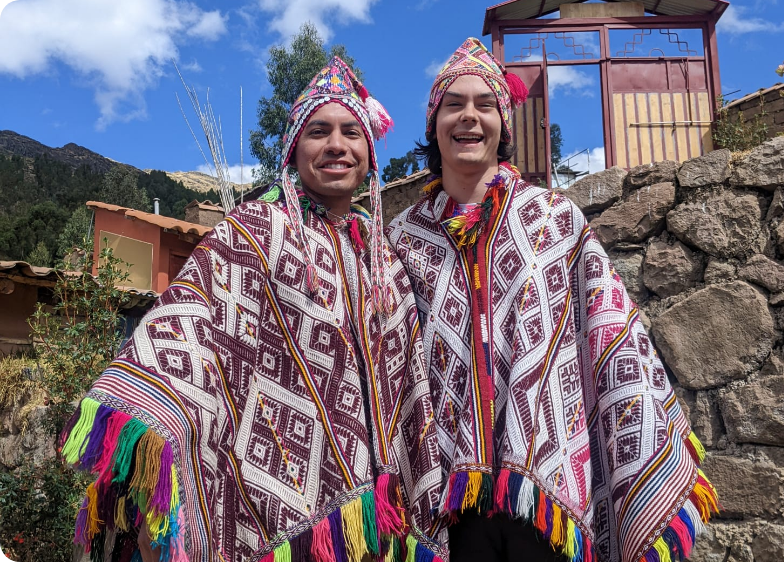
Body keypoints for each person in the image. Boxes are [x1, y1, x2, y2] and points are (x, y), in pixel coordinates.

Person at [61, 57, 446, 562]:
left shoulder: (383, 256)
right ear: (293, 150)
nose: (336, 145)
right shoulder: (256, 232)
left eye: (352, 132)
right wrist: (154, 421)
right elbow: (188, 322)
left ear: (370, 153)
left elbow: (406, 379)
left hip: (376, 522)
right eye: (318, 132)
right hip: (275, 509)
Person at [387, 38, 718, 562]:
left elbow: (610, 331)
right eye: (454, 104)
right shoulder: (400, 239)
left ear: (504, 125)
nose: (469, 117)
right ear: (434, 124)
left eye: (485, 104)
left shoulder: (556, 221)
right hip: (444, 493)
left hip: (548, 483)